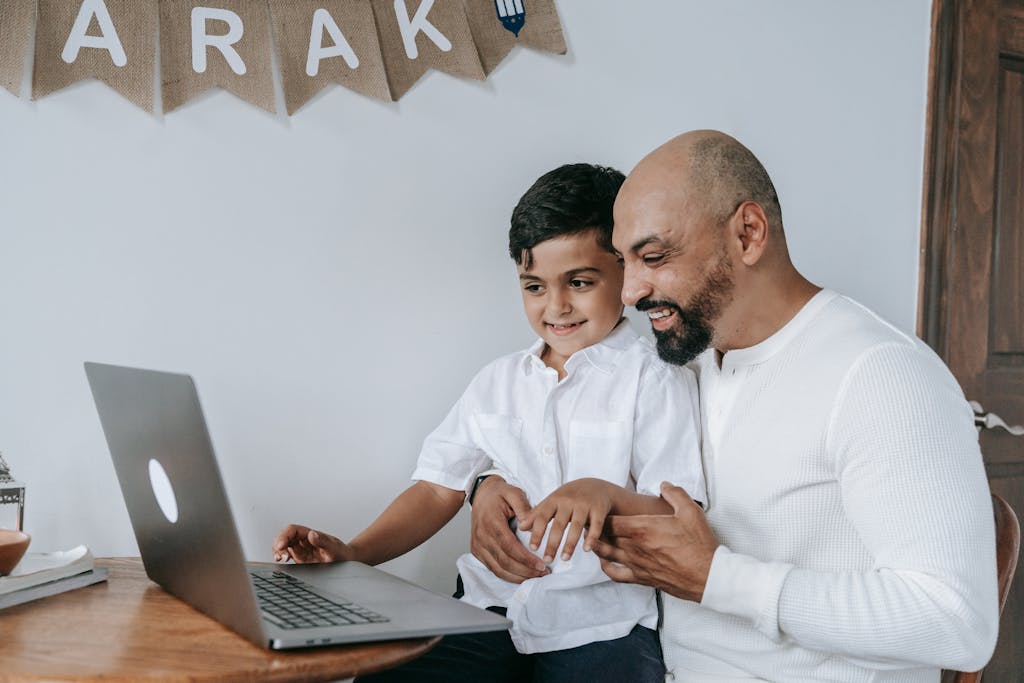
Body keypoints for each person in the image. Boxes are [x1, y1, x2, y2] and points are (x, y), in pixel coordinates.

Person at [470, 131, 999, 682]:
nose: (629, 292)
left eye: (653, 257)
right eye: (625, 262)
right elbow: (555, 424)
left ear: (748, 234)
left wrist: (717, 579)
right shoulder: (683, 362)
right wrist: (484, 485)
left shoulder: (882, 375)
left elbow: (957, 623)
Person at [272, 163, 705, 682]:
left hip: (600, 626)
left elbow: (678, 512)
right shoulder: (497, 382)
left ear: (625, 274)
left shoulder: (654, 378)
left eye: (580, 282)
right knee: (383, 674)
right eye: (534, 286)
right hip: (487, 610)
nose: (557, 306)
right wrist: (352, 553)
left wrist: (603, 493)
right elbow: (437, 490)